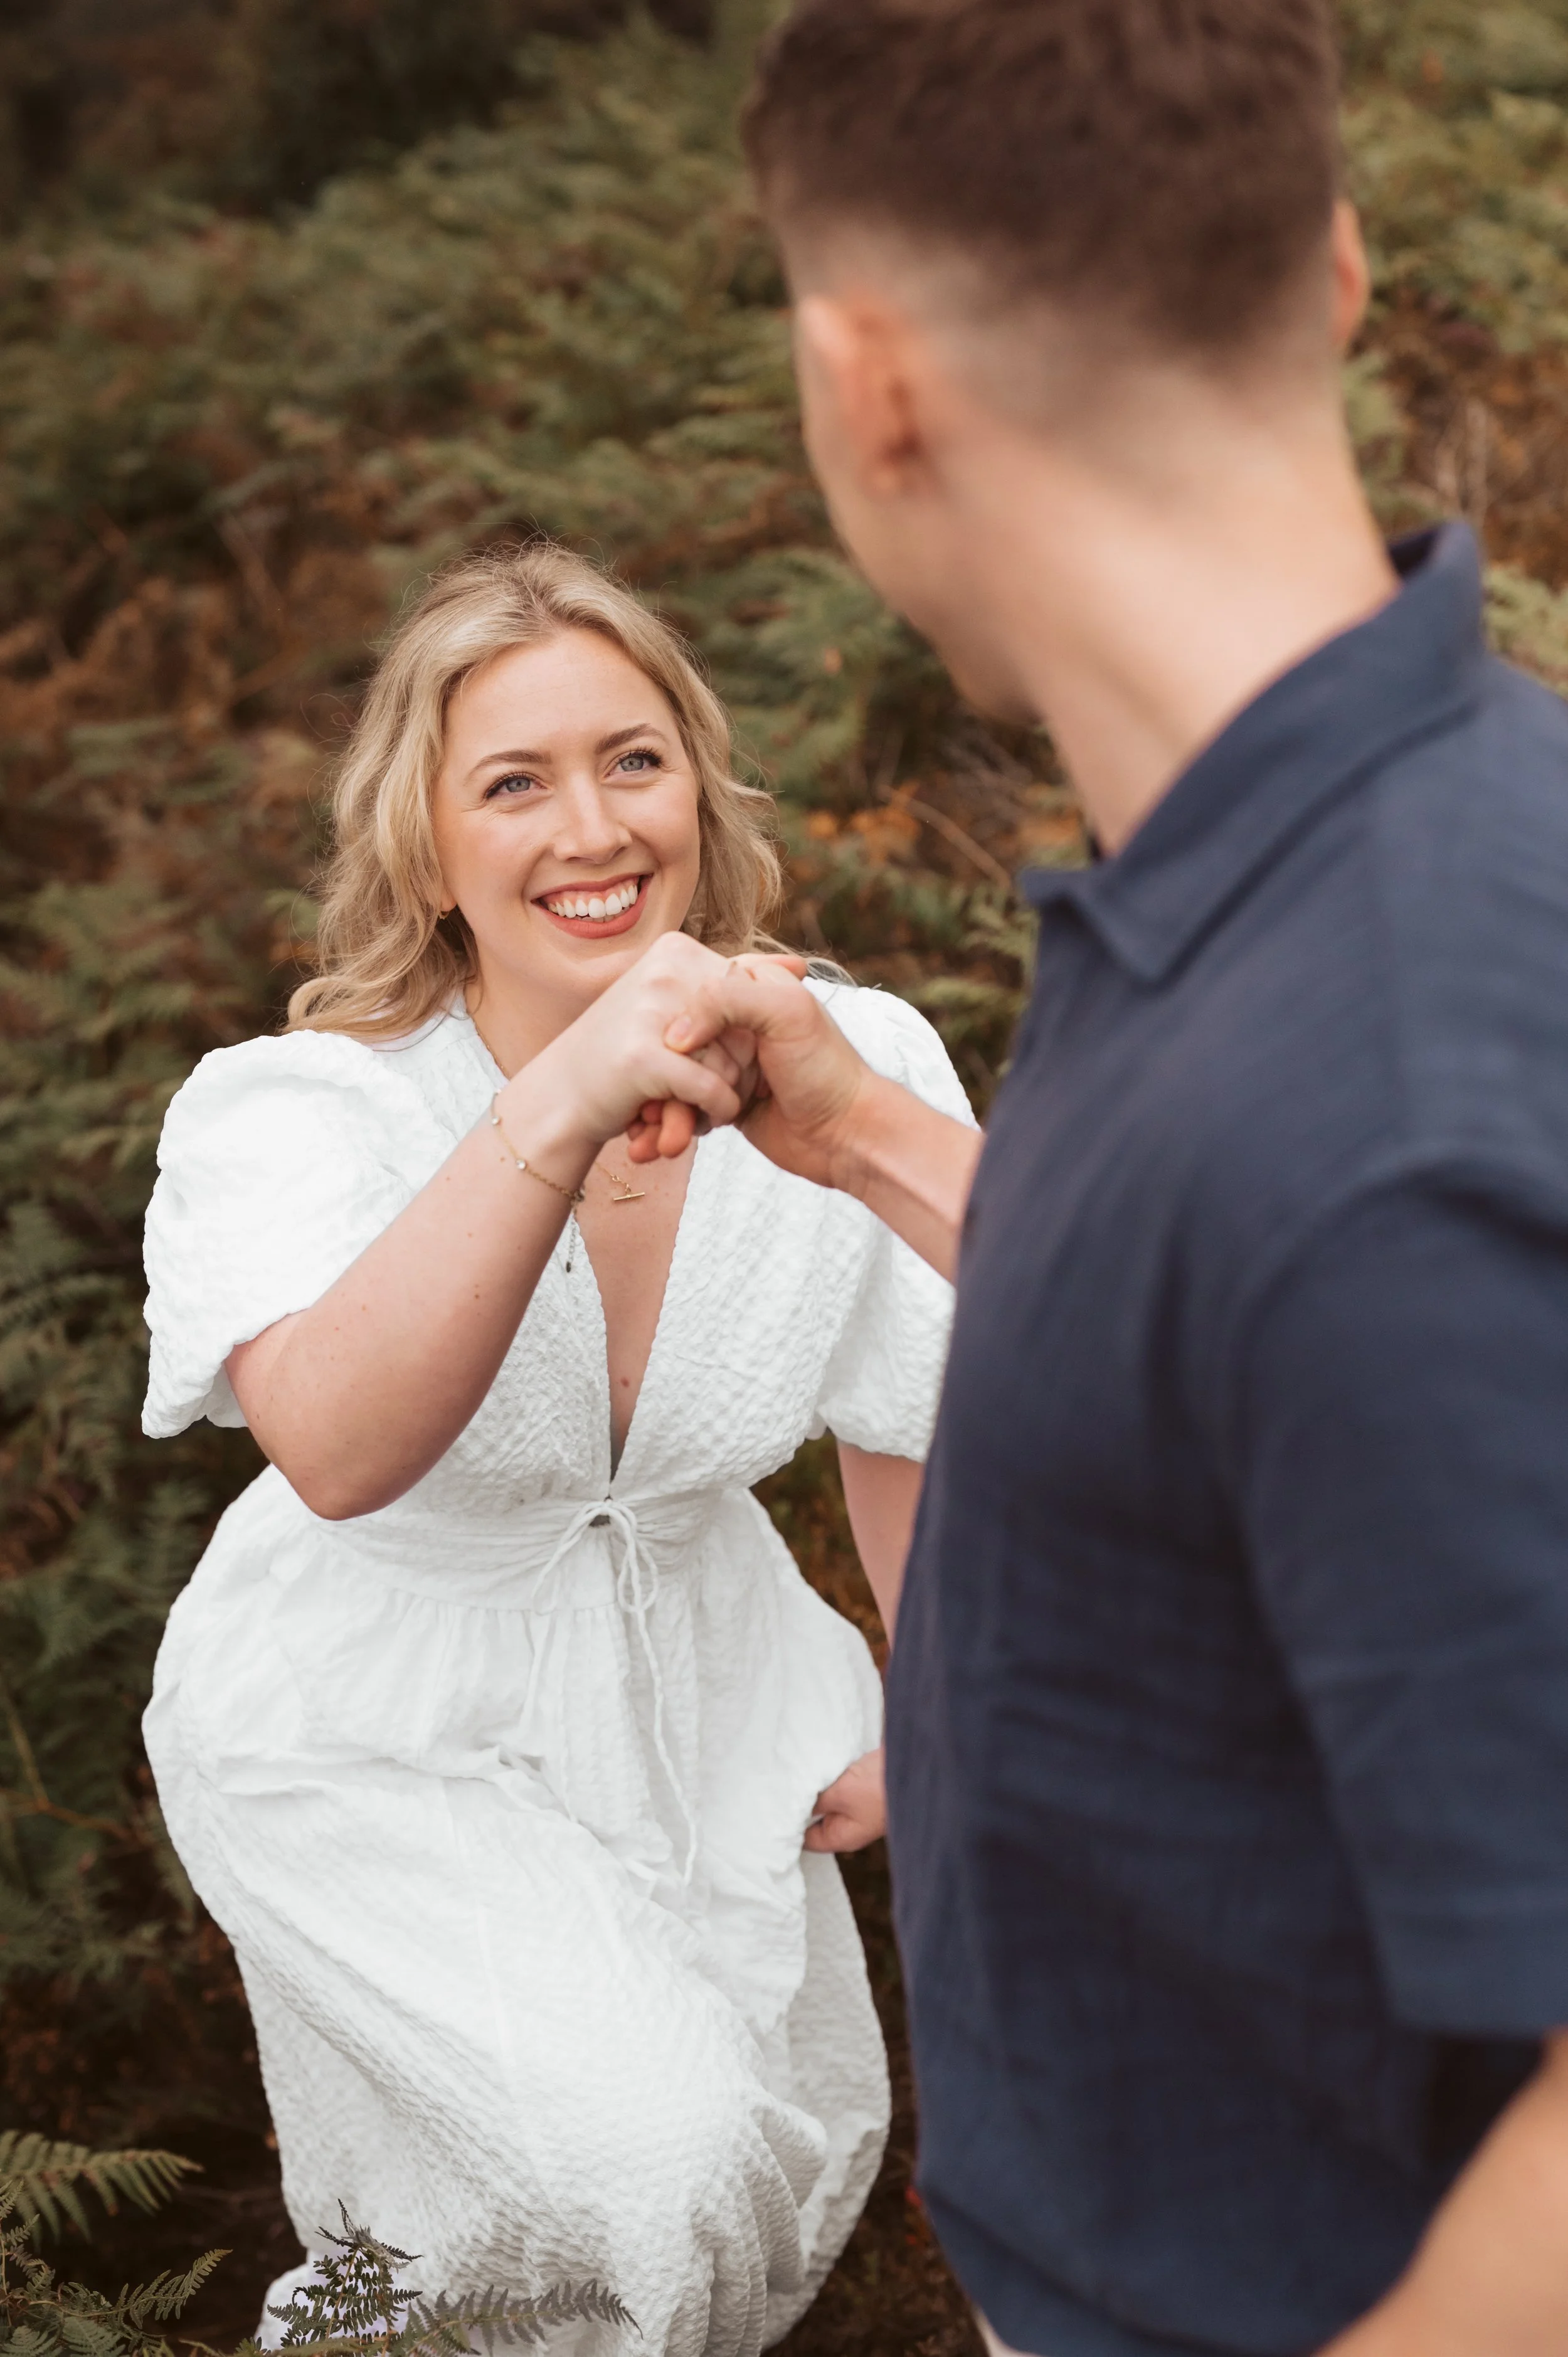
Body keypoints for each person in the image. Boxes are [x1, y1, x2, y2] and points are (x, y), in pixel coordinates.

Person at [624, 1, 1568, 2351]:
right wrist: (873, 1146)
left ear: (871, 385)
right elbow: (1241, 1372)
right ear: (1331, 268)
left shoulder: (1381, 1102)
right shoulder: (1347, 866)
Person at [139, 544, 974, 2353]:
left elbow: (916, 1401)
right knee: (656, 2163)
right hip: (367, 1726)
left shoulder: (850, 1051)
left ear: (699, 782)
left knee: (749, 2207)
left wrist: (938, 1695)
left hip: (711, 1701)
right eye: (512, 783)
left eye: (633, 759)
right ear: (425, 843)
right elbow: (339, 1448)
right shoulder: (295, 1111)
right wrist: (564, 1098)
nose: (590, 828)